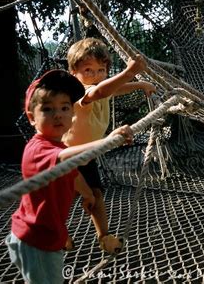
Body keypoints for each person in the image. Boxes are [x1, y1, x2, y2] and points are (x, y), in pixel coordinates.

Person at [6, 69, 134, 283]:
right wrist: (106, 141)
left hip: (49, 237)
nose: (58, 114)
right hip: (35, 241)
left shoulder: (57, 143)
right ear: (31, 117)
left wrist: (87, 195)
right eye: (47, 109)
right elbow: (68, 159)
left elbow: (73, 175)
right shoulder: (38, 148)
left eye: (65, 108)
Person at [64, 37, 156, 254]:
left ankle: (104, 236)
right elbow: (101, 91)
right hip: (67, 158)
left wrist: (140, 84)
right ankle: (56, 231)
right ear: (73, 74)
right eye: (87, 70)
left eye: (101, 70)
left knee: (96, 195)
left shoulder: (104, 87)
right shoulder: (79, 93)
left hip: (88, 156)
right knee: (67, 200)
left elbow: (115, 89)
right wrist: (129, 72)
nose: (95, 76)